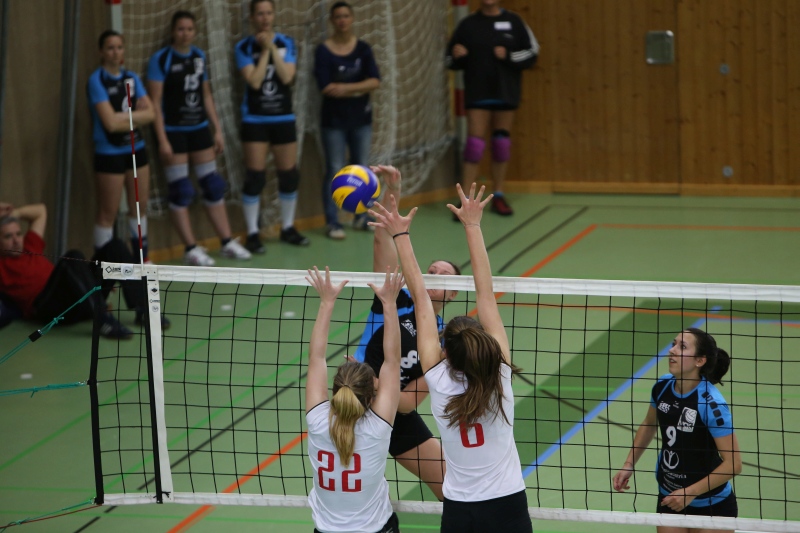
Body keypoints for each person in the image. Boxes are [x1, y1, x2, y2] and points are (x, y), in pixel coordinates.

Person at [369, 183, 532, 532]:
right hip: (507, 503)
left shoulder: (438, 380)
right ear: (485, 346)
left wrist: (401, 235)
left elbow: (421, 298)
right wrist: (473, 225)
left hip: (460, 509)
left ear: (446, 353)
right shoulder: (500, 375)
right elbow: (485, 294)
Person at [354, 165, 452, 502]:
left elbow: (409, 402)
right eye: (431, 270)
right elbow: (383, 240)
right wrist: (392, 191)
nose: (434, 275)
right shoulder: (397, 298)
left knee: (451, 485)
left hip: (394, 410)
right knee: (355, 493)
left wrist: (380, 385)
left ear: (454, 293)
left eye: (444, 276)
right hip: (355, 401)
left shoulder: (444, 341)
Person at [147, 10, 252, 266]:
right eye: (180, 29)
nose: (185, 34)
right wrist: (162, 139)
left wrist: (217, 129)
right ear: (173, 32)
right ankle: (190, 248)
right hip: (174, 131)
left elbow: (206, 94)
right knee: (181, 190)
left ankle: (226, 242)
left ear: (195, 32)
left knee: (213, 185)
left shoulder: (198, 56)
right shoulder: (161, 59)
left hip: (199, 128)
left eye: (189, 29)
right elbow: (155, 102)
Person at [612, 329, 742, 533]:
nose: (671, 350)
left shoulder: (712, 405)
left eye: (682, 347)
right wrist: (629, 463)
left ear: (700, 360)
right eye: (674, 344)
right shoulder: (663, 386)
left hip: (711, 503)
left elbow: (733, 464)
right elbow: (649, 424)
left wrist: (689, 493)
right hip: (670, 496)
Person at [305, 265, 402, 533]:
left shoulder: (318, 421)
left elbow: (316, 358)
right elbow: (393, 361)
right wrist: (389, 303)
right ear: (372, 394)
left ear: (336, 389)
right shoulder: (377, 426)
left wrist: (326, 302)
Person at [0, 202, 149, 338]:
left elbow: (41, 211)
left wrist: (15, 213)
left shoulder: (30, 246)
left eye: (18, 234)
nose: (16, 240)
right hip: (49, 308)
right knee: (71, 259)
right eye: (8, 236)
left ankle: (142, 310)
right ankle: (102, 319)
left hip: (77, 298)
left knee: (115, 247)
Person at [446, 0, 539, 217]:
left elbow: (532, 53)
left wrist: (508, 55)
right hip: (478, 93)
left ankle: (498, 194)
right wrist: (458, 56)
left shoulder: (514, 21)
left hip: (505, 92)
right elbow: (449, 58)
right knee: (474, 145)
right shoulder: (468, 24)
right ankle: (465, 202)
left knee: (501, 143)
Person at [235, 0, 308, 254]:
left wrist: (272, 47)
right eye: (260, 14)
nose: (265, 18)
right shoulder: (243, 47)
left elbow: (287, 77)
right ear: (252, 17)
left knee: (289, 175)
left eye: (268, 13)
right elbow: (254, 82)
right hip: (255, 120)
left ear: (274, 15)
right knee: (255, 177)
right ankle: (252, 234)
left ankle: (287, 227)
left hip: (282, 118)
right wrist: (265, 50)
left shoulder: (287, 43)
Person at [313, 1, 381, 239]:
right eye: (338, 17)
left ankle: (361, 217)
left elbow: (375, 81)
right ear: (332, 21)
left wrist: (345, 88)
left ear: (352, 19)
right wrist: (358, 88)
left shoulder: (363, 49)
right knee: (334, 168)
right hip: (333, 121)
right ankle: (333, 222)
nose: (342, 20)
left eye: (346, 16)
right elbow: (325, 86)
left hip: (361, 119)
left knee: (361, 169)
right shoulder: (323, 51)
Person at [88, 30, 155, 261]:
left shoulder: (132, 78)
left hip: (136, 149)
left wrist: (123, 118)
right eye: (110, 48)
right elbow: (110, 124)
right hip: (110, 152)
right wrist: (136, 117)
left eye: (119, 47)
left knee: (139, 208)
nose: (115, 53)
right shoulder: (97, 80)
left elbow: (152, 114)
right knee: (108, 213)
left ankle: (142, 261)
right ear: (101, 52)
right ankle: (104, 268)